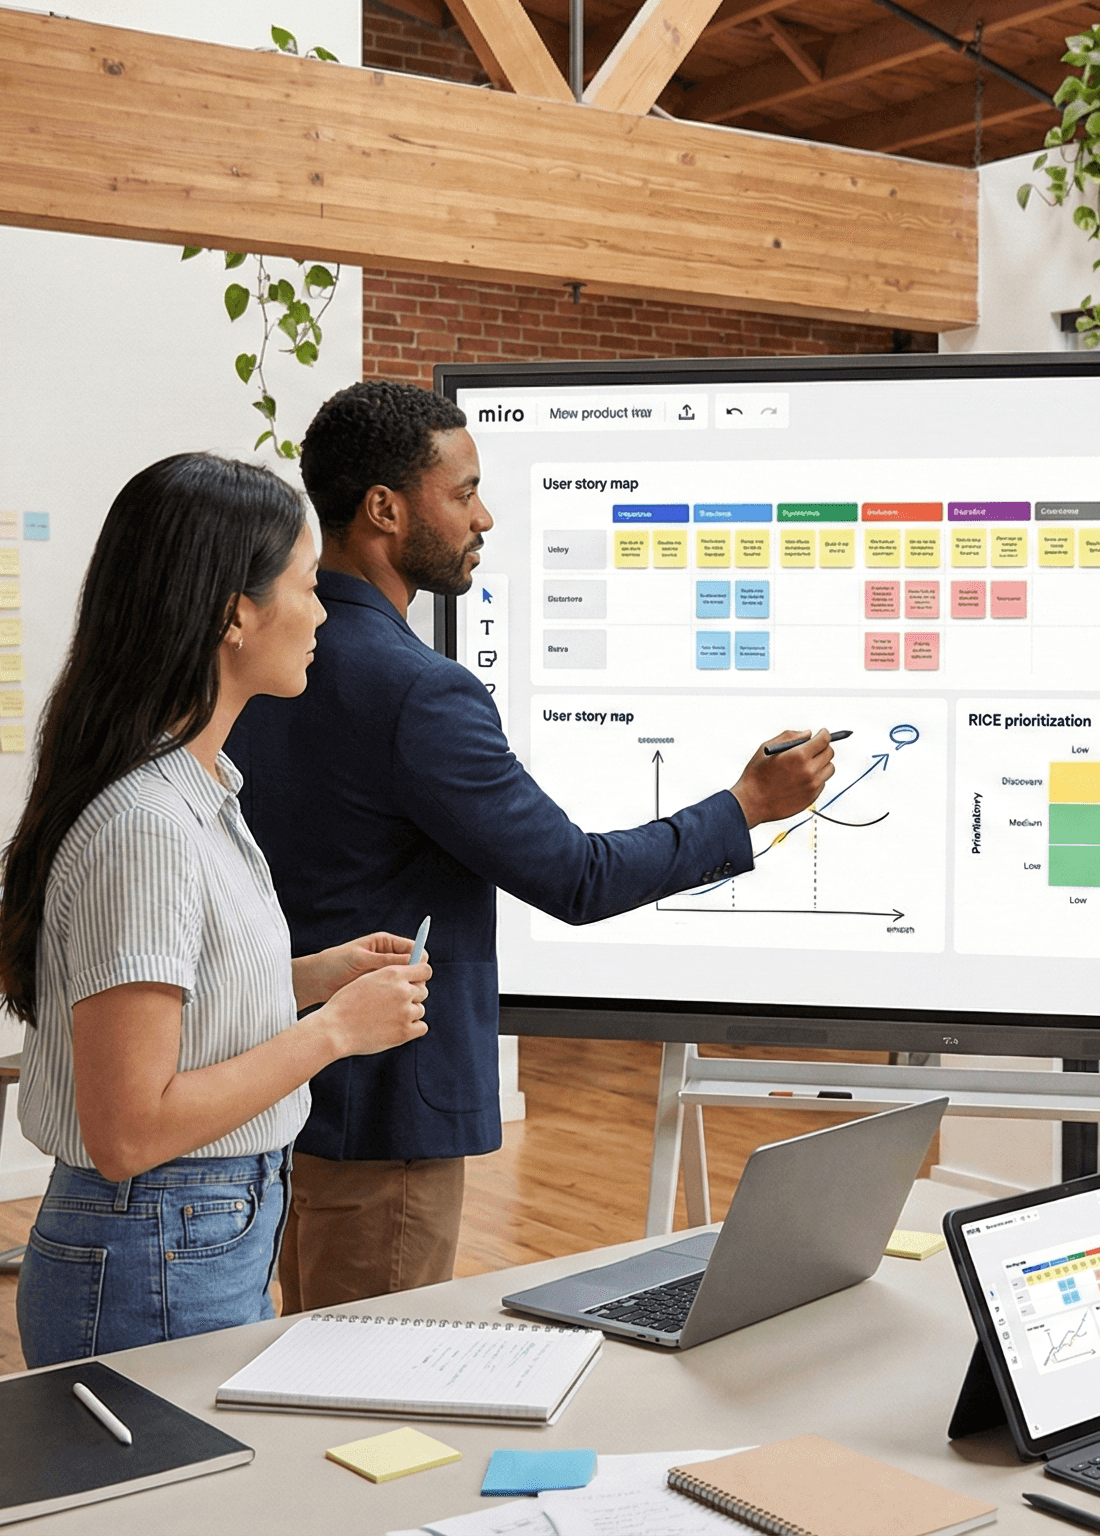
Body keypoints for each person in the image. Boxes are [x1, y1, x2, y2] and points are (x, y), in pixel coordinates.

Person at [227, 380, 838, 1313]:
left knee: (302, 1354)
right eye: (464, 492)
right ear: (385, 510)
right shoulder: (417, 692)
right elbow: (577, 876)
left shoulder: (263, 662)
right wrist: (745, 806)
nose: (486, 517)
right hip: (389, 1117)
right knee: (362, 1381)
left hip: (279, 1099)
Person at [0, 451, 434, 1367]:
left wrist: (311, 981)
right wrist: (335, 1033)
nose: (321, 612)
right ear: (236, 610)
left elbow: (166, 1011)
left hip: (193, 1229)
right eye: (309, 586)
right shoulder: (147, 822)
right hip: (160, 1232)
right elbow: (131, 1129)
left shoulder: (189, 790)